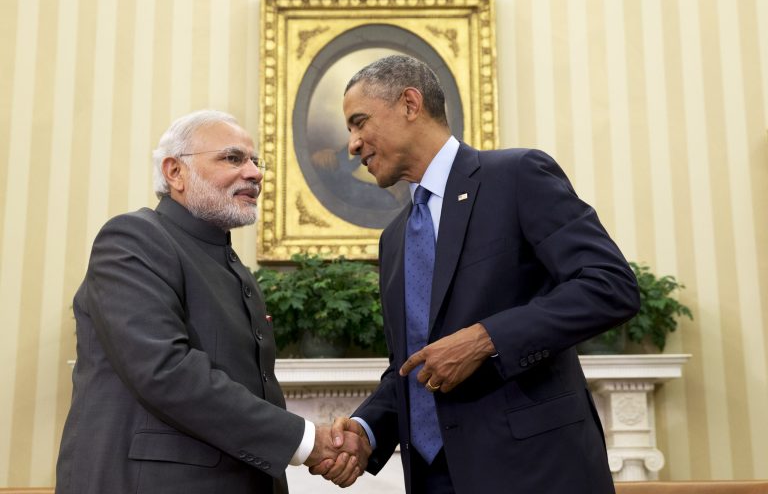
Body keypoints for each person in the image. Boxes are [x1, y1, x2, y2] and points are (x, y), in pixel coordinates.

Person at [313, 55, 640, 493]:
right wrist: (365, 430)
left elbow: (610, 286)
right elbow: (414, 365)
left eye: (359, 122)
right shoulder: (394, 238)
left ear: (410, 103)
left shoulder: (517, 175)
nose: (352, 144)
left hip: (537, 473)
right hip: (434, 480)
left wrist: (485, 339)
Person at [55, 110, 369, 494]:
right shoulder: (132, 238)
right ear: (175, 172)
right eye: (233, 158)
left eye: (256, 162)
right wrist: (307, 442)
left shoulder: (234, 267)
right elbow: (166, 371)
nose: (255, 173)